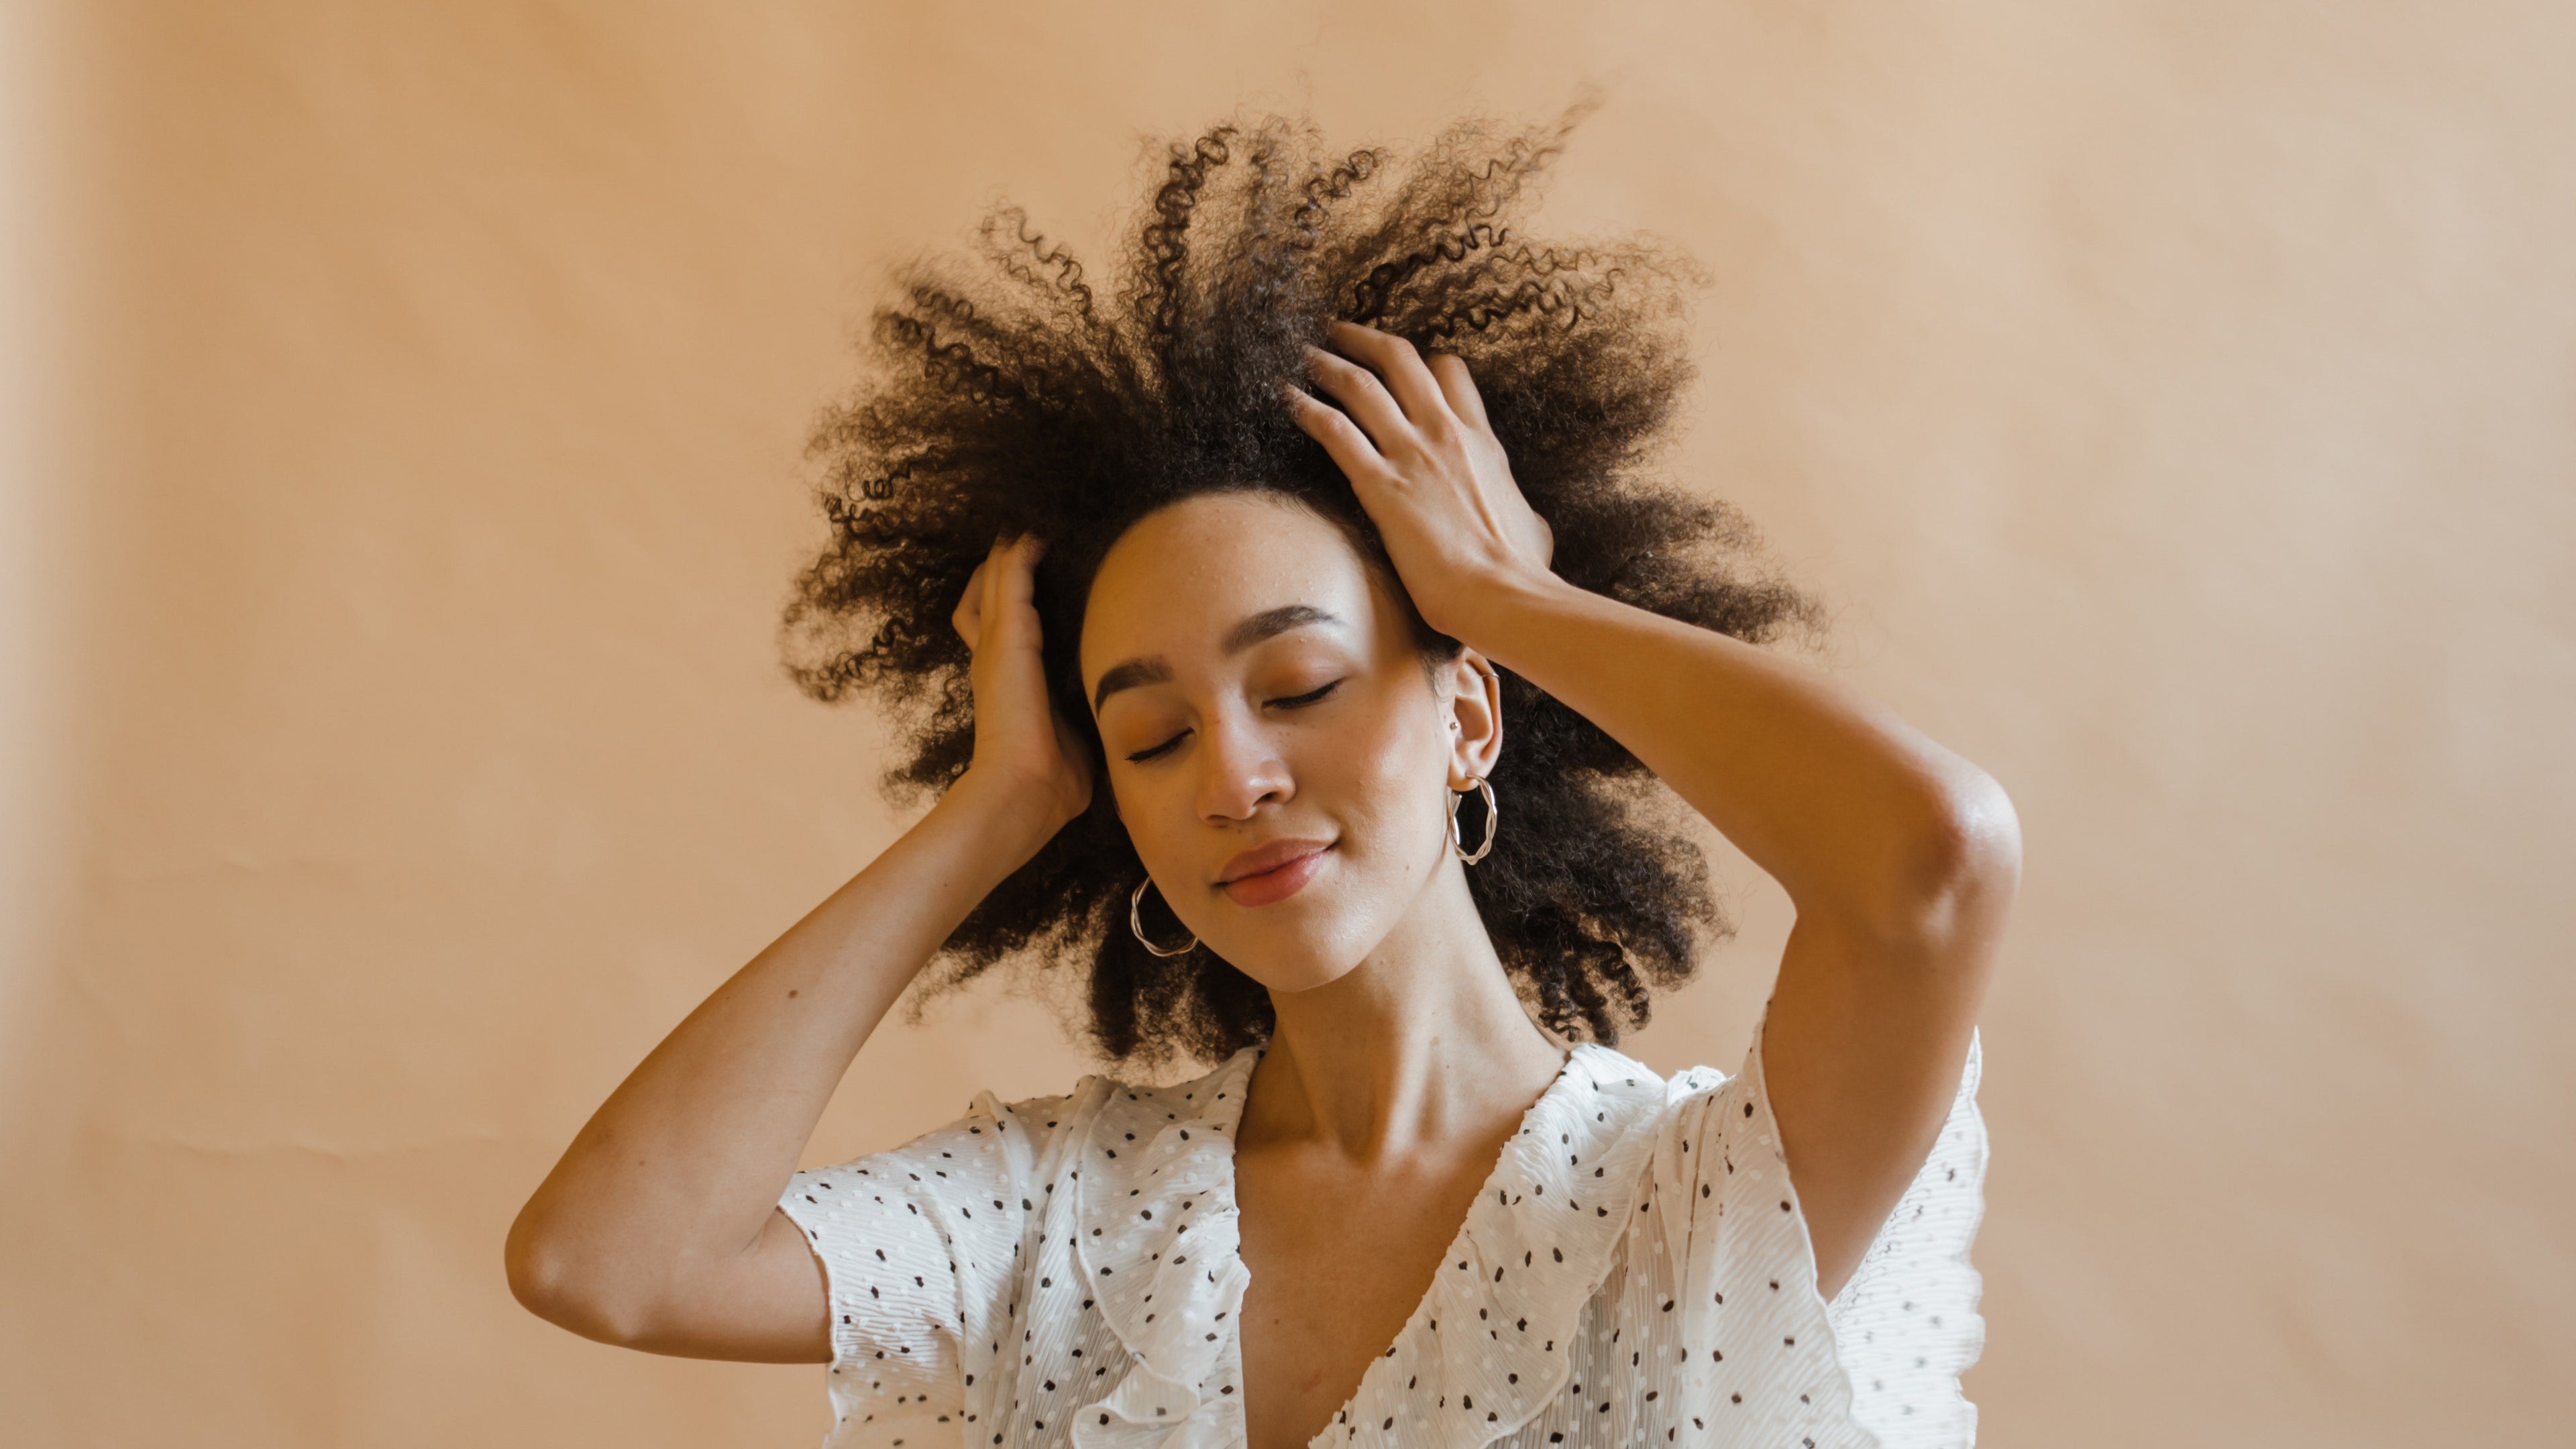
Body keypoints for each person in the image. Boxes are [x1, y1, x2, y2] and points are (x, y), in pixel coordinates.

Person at [505, 104, 2020, 1449]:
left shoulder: (1694, 1198)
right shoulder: (1064, 1216)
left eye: (1299, 686)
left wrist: (1512, 598)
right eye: (1151, 737)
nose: (1232, 774)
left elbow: (1931, 864)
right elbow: (608, 1264)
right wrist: (998, 811)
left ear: (1472, 721)